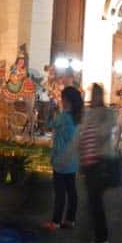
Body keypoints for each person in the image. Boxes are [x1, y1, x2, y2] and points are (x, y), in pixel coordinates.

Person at [73, 83, 117, 243]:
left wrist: (92, 125)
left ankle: (100, 239)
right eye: (94, 94)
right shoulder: (89, 113)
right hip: (88, 162)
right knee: (93, 202)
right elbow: (82, 136)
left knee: (95, 202)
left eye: (97, 94)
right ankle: (95, 238)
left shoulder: (107, 113)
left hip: (101, 162)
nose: (95, 97)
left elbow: (103, 133)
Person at [43, 85, 82, 231]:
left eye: (62, 98)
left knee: (60, 193)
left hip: (61, 160)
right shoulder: (78, 117)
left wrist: (49, 113)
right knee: (71, 191)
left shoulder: (63, 117)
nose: (61, 100)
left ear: (66, 100)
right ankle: (70, 220)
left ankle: (56, 222)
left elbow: (48, 125)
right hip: (72, 160)